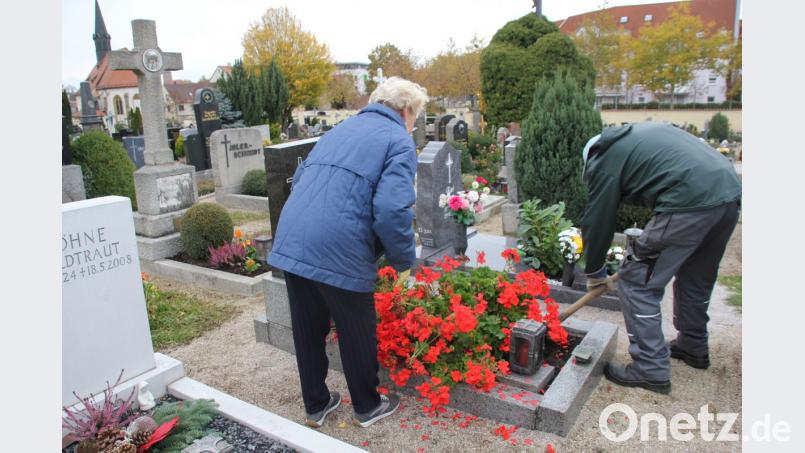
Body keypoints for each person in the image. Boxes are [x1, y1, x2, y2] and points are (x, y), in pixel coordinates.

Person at [268, 77, 428, 427]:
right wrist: (403, 262)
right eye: (415, 116)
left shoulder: (339, 131)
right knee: (356, 327)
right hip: (339, 244)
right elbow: (392, 209)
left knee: (308, 328)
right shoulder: (397, 139)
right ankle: (368, 406)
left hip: (294, 236)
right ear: (406, 111)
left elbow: (304, 178)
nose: (413, 123)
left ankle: (317, 404)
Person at [580, 122, 741, 395]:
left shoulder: (605, 158)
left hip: (689, 201)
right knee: (696, 276)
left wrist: (594, 271)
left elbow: (598, 219)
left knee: (636, 281)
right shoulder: (639, 136)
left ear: (591, 156)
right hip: (727, 193)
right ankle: (693, 345)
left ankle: (650, 368)